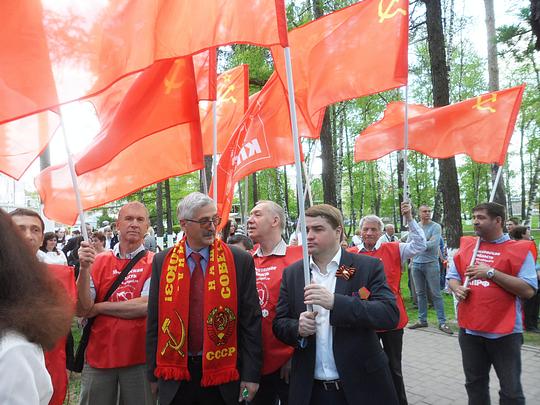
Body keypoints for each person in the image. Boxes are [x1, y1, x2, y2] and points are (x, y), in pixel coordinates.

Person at [273, 204, 399, 405]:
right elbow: (279, 323)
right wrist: (297, 327)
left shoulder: (364, 267)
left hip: (362, 386)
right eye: (306, 230)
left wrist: (335, 302)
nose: (310, 235)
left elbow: (389, 314)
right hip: (311, 390)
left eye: (318, 229)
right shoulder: (294, 273)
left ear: (338, 231)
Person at [146, 192, 262, 405]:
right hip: (175, 374)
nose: (211, 227)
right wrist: (152, 375)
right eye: (204, 221)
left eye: (214, 220)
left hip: (224, 374)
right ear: (183, 224)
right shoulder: (163, 261)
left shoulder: (239, 261)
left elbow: (251, 321)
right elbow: (154, 319)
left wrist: (251, 376)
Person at [447, 202, 537, 405]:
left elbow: (528, 290)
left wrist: (490, 273)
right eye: (474, 217)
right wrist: (457, 288)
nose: (475, 221)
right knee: (474, 384)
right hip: (470, 331)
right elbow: (452, 277)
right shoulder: (469, 246)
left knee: (511, 391)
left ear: (498, 220)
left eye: (481, 217)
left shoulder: (519, 250)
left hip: (504, 333)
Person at [347, 202, 426, 405]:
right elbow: (343, 282)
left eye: (374, 229)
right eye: (366, 229)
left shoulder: (394, 249)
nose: (369, 233)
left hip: (392, 319)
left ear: (381, 231)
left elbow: (420, 245)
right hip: (364, 319)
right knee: (365, 366)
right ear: (360, 231)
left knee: (394, 368)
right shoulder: (352, 254)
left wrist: (409, 218)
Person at [77, 202, 155, 405]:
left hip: (139, 357)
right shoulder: (98, 262)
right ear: (117, 225)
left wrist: (99, 308)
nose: (134, 224)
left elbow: (144, 306)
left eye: (140, 220)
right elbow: (82, 308)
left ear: (147, 226)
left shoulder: (156, 262)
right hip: (99, 356)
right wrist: (84, 270)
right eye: (129, 219)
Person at [0, 209, 73, 405]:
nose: (27, 236)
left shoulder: (13, 349)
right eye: (19, 229)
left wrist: (84, 272)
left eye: (34, 229)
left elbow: (73, 316)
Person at [246, 201, 303, 405]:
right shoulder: (247, 261)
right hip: (254, 364)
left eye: (257, 215)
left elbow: (309, 310)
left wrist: (295, 353)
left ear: (275, 221)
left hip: (289, 361)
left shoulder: (300, 257)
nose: (250, 220)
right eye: (250, 215)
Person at [409, 205, 452, 334]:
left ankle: (442, 322)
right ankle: (422, 320)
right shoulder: (415, 226)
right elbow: (410, 244)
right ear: (419, 213)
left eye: (429, 211)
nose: (427, 213)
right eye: (424, 211)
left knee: (436, 293)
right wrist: (424, 243)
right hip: (416, 264)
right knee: (420, 293)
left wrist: (420, 244)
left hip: (431, 264)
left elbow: (433, 244)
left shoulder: (436, 227)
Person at [510, 226, 539, 333]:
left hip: (533, 274)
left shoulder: (529, 244)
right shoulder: (522, 246)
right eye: (528, 232)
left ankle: (532, 322)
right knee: (529, 301)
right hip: (527, 277)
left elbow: (534, 260)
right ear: (522, 234)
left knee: (534, 300)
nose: (529, 233)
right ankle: (528, 324)